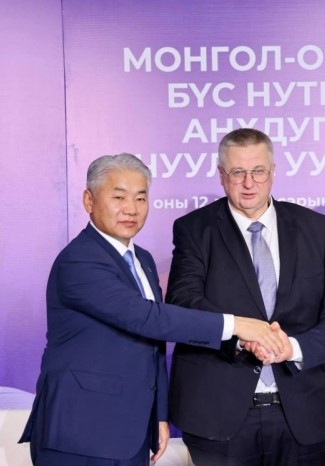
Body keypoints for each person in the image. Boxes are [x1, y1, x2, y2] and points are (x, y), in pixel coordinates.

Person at [19, 153, 286, 466]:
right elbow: (146, 318)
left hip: (130, 433)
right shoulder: (80, 260)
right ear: (89, 200)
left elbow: (153, 344)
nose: (131, 209)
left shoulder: (142, 260)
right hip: (80, 432)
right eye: (119, 197)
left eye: (141, 198)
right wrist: (238, 325)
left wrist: (159, 415)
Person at [165, 128, 325, 466]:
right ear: (222, 175)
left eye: (258, 171)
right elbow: (184, 302)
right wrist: (242, 336)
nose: (249, 182)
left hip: (302, 411)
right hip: (219, 414)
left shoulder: (316, 228)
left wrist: (290, 348)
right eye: (238, 172)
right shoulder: (194, 229)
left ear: (273, 172)